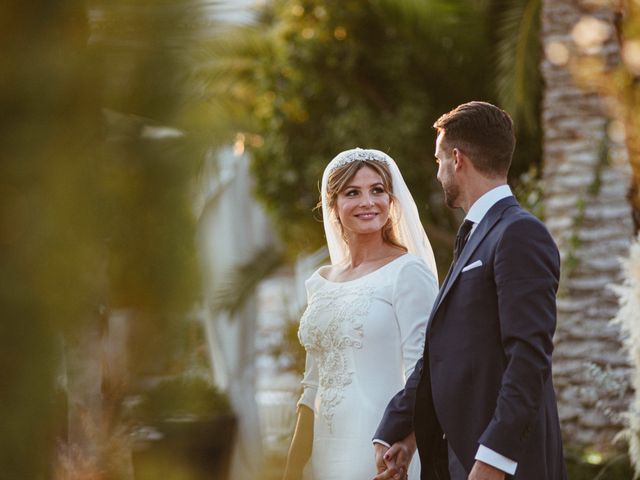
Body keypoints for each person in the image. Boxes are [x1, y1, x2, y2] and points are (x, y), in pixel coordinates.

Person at [373, 102, 567, 480]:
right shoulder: (476, 235)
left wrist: (495, 456)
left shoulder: (519, 233)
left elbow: (529, 357)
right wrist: (398, 430)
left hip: (504, 464)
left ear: (457, 159)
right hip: (460, 455)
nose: (438, 172)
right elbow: (444, 353)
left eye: (438, 160)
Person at [282, 148, 439, 480]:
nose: (368, 201)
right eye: (353, 192)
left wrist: (405, 449)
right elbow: (310, 388)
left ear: (391, 200)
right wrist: (292, 467)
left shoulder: (407, 272)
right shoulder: (320, 283)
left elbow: (424, 377)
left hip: (380, 447)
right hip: (324, 452)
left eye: (377, 190)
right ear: (334, 206)